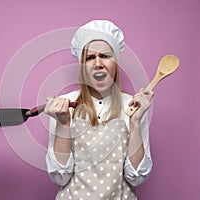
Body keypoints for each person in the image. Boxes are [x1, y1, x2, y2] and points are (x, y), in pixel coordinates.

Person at [45, 20, 154, 200]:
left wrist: (134, 123)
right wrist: (63, 124)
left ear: (116, 62)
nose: (97, 63)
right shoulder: (65, 105)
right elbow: (60, 176)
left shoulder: (134, 106)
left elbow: (136, 177)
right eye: (89, 58)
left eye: (104, 56)